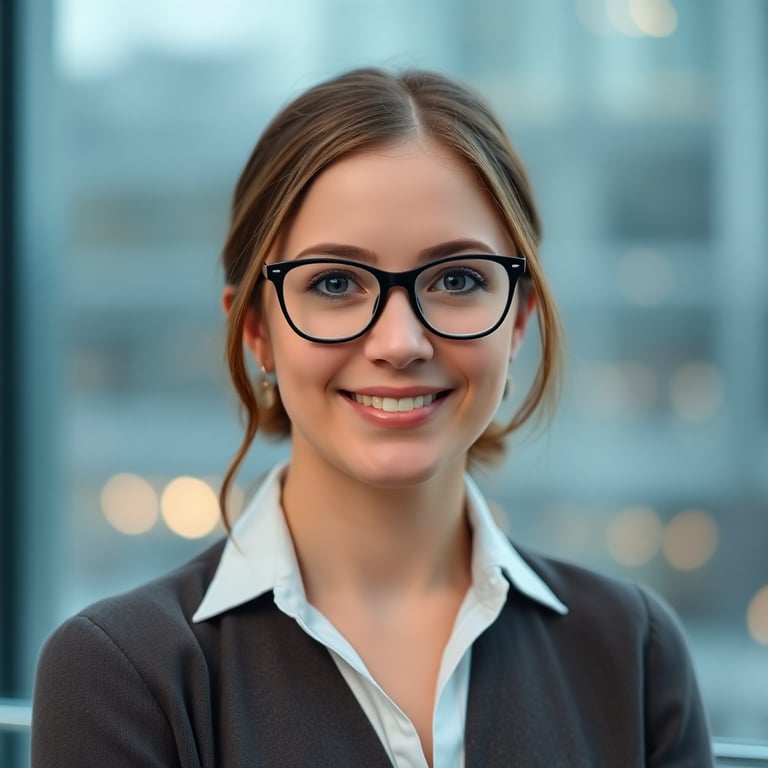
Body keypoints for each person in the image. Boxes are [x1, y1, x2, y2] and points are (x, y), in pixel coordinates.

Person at [31, 67, 714, 767]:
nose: (399, 343)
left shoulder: (633, 651)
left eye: (456, 280)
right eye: (334, 283)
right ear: (255, 329)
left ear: (517, 322)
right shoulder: (124, 674)